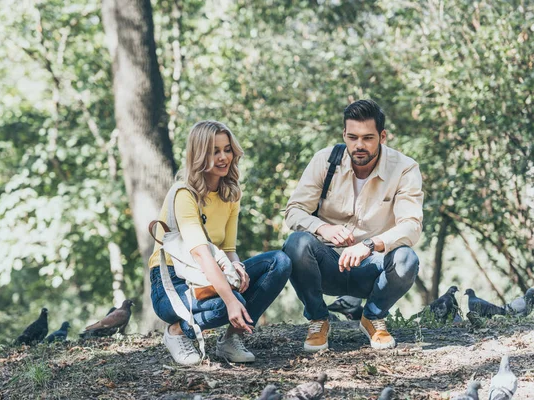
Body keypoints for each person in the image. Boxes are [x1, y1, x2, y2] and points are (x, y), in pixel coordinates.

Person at [283, 99, 423, 352]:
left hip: (372, 267)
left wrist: (370, 245)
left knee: (407, 259)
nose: (359, 145)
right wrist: (322, 228)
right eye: (353, 137)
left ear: (382, 136)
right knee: (296, 243)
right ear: (344, 135)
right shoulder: (324, 160)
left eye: (368, 138)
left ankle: (372, 316)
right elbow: (293, 212)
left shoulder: (405, 168)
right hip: (326, 265)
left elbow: (411, 225)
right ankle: (318, 319)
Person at [149, 120, 292, 365]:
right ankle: (176, 332)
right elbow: (202, 255)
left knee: (280, 261)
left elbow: (228, 250)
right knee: (226, 305)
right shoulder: (185, 195)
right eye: (215, 151)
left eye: (227, 149)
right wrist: (231, 299)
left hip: (209, 275)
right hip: (171, 284)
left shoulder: (230, 194)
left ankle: (230, 340)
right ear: (200, 154)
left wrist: (237, 267)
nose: (224, 157)